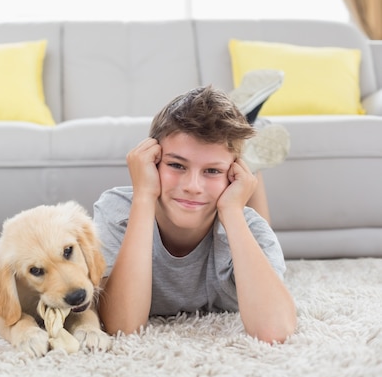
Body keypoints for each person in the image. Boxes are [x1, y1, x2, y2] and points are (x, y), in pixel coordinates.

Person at [93, 85, 297, 343]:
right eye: (176, 165)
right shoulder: (117, 210)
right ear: (153, 160)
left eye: (212, 171)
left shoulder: (248, 224)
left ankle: (251, 166)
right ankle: (244, 136)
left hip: (236, 212)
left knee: (258, 228)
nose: (192, 186)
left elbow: (275, 331)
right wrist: (144, 195)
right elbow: (122, 326)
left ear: (232, 174)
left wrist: (233, 212)